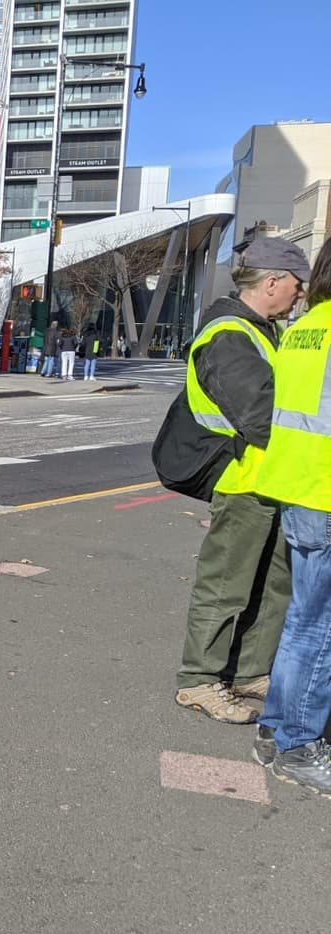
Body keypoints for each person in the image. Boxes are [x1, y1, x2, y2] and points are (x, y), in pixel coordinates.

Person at [174, 237, 311, 723]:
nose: (300, 294)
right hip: (243, 482)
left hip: (271, 480)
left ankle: (250, 670)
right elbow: (260, 417)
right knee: (225, 586)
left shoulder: (260, 330)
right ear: (272, 281)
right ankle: (199, 680)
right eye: (296, 285)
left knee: (272, 584)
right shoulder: (230, 334)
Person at [250, 237, 331, 790]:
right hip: (323, 490)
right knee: (319, 626)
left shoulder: (305, 326)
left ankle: (276, 728)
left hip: (297, 486)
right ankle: (299, 746)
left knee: (304, 619)